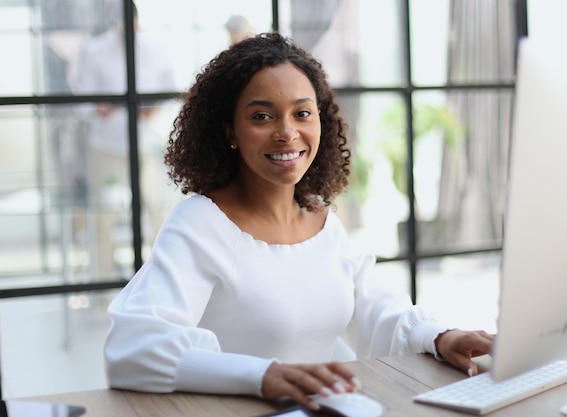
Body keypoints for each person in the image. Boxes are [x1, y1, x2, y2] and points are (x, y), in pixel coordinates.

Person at [103, 32, 493, 411]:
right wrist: (261, 375)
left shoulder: (322, 219)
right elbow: (134, 348)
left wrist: (441, 337)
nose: (287, 133)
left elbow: (379, 311)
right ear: (230, 132)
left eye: (302, 113)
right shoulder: (200, 224)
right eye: (262, 116)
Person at [74, 2, 176, 279]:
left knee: (156, 211)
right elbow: (80, 99)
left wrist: (154, 108)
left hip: (143, 144)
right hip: (106, 146)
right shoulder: (95, 51)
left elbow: (171, 90)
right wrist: (98, 108)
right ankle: (102, 287)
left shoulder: (155, 49)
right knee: (103, 218)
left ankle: (162, 279)